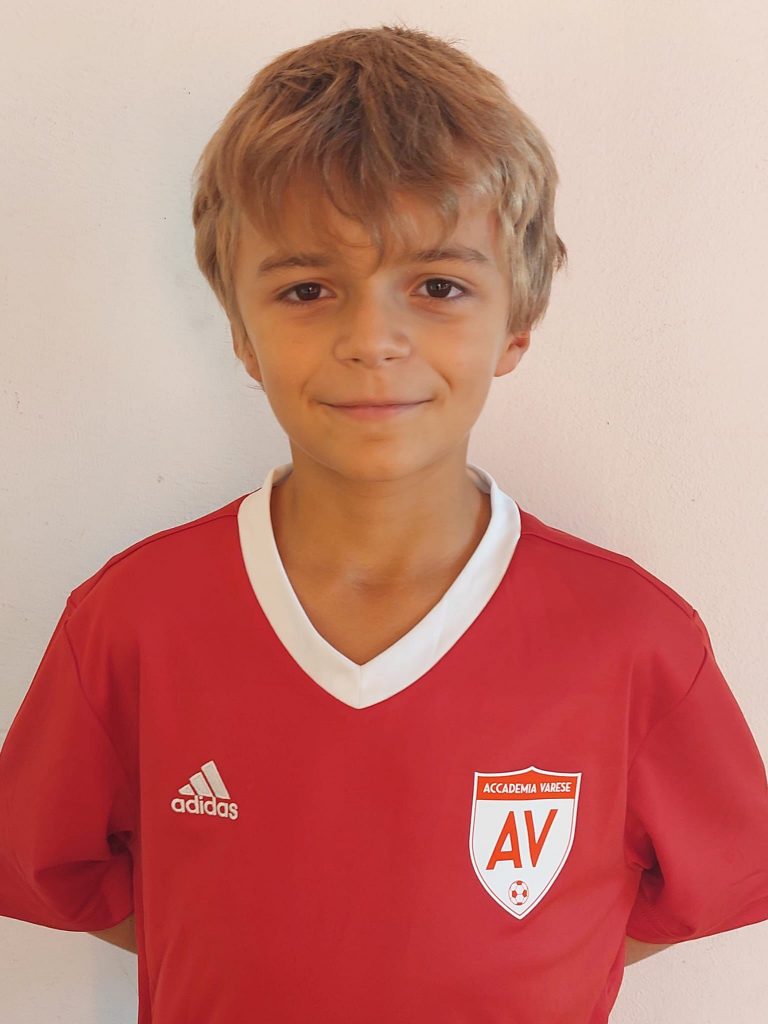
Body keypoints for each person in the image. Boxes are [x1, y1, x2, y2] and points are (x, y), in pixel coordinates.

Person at [1, 23, 767, 1024]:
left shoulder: (632, 636)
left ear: (517, 321)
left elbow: (709, 879)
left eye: (438, 286)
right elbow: (56, 863)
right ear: (241, 331)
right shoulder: (132, 618)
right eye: (307, 289)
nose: (372, 339)